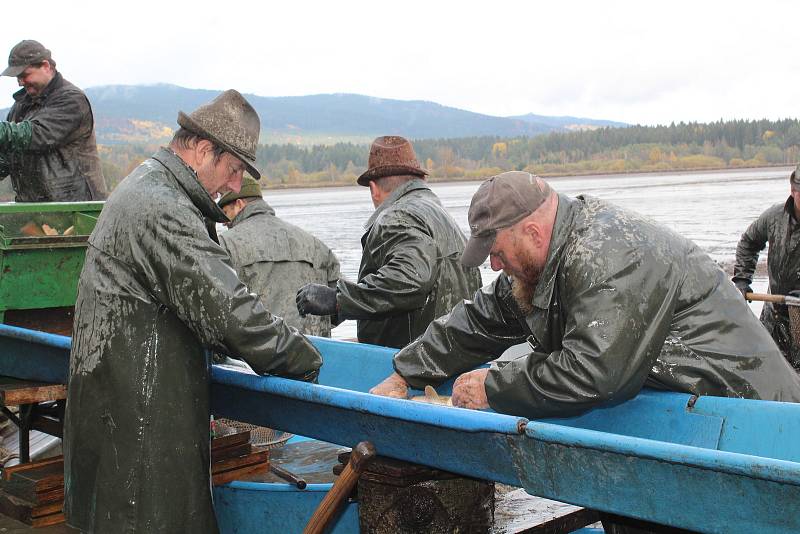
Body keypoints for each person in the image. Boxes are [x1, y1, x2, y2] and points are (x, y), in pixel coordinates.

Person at [64, 90, 322, 533]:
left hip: (115, 415)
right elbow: (230, 312)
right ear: (203, 150)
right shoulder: (164, 208)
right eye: (234, 168)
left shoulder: (146, 185)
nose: (236, 186)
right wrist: (310, 362)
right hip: (139, 425)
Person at [371, 171, 800, 416]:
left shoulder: (609, 255)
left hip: (755, 410)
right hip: (685, 402)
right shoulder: (542, 259)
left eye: (497, 253)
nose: (495, 266)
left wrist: (494, 386)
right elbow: (481, 317)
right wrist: (407, 370)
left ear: (533, 233)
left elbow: (593, 373)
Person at [296, 135, 482, 349]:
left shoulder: (396, 217)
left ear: (373, 188)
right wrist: (354, 304)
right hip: (452, 356)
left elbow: (410, 279)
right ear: (420, 180)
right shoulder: (441, 216)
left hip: (412, 367)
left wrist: (339, 300)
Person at [218, 176, 341, 337]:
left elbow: (219, 308)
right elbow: (341, 301)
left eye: (225, 214)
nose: (224, 223)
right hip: (314, 354)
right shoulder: (316, 245)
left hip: (260, 356)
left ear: (239, 204)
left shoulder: (225, 244)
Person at [0, 40, 106, 201]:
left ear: (45, 66)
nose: (20, 82)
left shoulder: (71, 99)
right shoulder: (21, 105)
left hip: (74, 206)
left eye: (24, 75)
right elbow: (9, 153)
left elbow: (38, 135)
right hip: (34, 206)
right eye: (17, 77)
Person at [732, 164, 800, 370]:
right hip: (775, 314)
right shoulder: (774, 217)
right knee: (769, 371)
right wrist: (742, 279)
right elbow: (748, 242)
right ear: (793, 192)